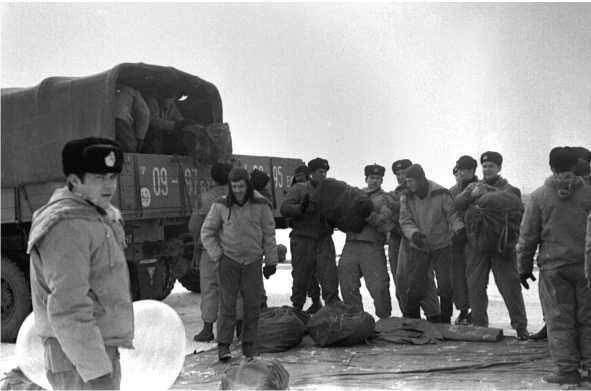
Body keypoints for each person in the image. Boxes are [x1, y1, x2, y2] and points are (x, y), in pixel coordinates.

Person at [27, 137, 132, 390]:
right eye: (99, 177)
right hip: (78, 360)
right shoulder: (67, 225)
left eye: (113, 177)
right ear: (74, 181)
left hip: (93, 350)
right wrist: (97, 376)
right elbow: (68, 308)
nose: (109, 186)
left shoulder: (92, 215)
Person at [517, 147, 591, 385]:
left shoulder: (539, 197)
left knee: (559, 320)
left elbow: (528, 236)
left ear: (551, 167)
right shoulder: (589, 194)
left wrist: (524, 267)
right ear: (576, 166)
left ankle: (566, 369)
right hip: (586, 267)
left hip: (554, 268)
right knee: (588, 318)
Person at [201, 167, 278, 361]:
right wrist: (218, 255)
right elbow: (207, 232)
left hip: (252, 262)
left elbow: (269, 233)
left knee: (252, 304)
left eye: (241, 186)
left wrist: (271, 260)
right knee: (227, 304)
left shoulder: (261, 204)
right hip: (229, 261)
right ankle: (224, 346)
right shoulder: (220, 205)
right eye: (234, 186)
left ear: (248, 185)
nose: (237, 190)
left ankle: (249, 345)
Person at [455, 151, 529, 339]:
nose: (487, 169)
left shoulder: (510, 189)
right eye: (485, 166)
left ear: (499, 168)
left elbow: (514, 203)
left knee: (510, 286)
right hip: (476, 245)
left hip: (501, 247)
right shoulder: (473, 186)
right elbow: (457, 203)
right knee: (475, 287)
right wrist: (471, 195)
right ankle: (481, 328)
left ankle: (521, 328)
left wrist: (485, 193)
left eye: (491, 166)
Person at [399, 164, 465, 323]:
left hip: (441, 245)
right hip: (419, 245)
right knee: (414, 285)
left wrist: (459, 229)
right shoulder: (406, 196)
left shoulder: (440, 193)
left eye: (411, 181)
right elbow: (405, 220)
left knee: (445, 285)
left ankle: (445, 319)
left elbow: (452, 215)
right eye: (406, 181)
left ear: (420, 180)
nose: (408, 184)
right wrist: (413, 234)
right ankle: (412, 320)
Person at [280, 157, 340, 311]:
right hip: (302, 239)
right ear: (312, 173)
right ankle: (297, 310)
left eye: (325, 172)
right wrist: (301, 208)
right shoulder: (299, 189)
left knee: (329, 278)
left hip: (323, 239)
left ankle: (331, 312)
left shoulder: (330, 191)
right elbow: (285, 208)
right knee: (300, 278)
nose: (324, 175)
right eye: (320, 172)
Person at [338, 164, 394, 318]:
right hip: (351, 244)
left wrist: (369, 215)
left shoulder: (385, 199)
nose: (375, 181)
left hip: (372, 246)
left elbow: (386, 224)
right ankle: (356, 317)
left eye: (378, 178)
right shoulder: (354, 195)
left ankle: (384, 318)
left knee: (378, 286)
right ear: (366, 178)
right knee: (347, 281)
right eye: (372, 178)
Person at [390, 159, 440, 320]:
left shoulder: (419, 192)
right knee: (401, 279)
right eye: (398, 174)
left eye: (404, 173)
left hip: (417, 240)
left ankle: (433, 315)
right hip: (397, 240)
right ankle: (410, 316)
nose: (401, 177)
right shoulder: (393, 195)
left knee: (424, 278)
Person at [188, 163, 232, 342]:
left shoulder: (205, 198)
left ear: (212, 178)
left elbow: (194, 225)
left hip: (210, 250)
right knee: (233, 289)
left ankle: (207, 329)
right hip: (234, 250)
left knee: (210, 288)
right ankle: (238, 327)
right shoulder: (239, 196)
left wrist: (197, 243)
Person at [288, 164, 323, 314]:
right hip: (301, 235)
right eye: (297, 176)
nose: (299, 178)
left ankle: (312, 302)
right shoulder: (296, 190)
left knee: (309, 274)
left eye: (302, 175)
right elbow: (286, 209)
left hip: (311, 237)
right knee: (302, 274)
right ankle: (300, 305)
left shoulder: (315, 189)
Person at [449, 155, 479, 325]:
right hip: (455, 241)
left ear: (472, 171)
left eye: (464, 169)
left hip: (474, 241)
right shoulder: (452, 191)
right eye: (458, 169)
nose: (460, 172)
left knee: (475, 279)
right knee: (457, 278)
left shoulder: (480, 188)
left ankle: (477, 311)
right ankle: (462, 310)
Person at [142, 86, 194, 154]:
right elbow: (152, 121)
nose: (171, 97)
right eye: (167, 93)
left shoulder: (172, 105)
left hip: (159, 140)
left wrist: (188, 125)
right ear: (161, 93)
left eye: (173, 96)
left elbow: (179, 120)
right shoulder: (151, 100)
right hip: (146, 136)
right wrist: (175, 125)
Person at [114, 85, 150, 153]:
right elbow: (144, 113)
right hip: (121, 118)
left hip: (106, 119)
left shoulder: (115, 87)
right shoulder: (134, 93)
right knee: (130, 147)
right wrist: (140, 138)